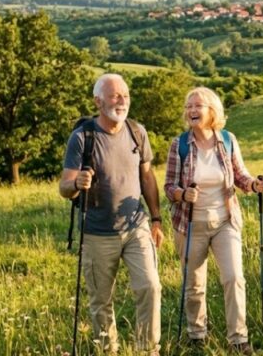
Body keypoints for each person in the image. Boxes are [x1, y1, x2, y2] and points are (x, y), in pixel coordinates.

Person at [59, 73, 163, 355]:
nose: (122, 101)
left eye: (125, 95)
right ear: (98, 101)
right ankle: (108, 351)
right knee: (101, 301)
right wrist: (76, 184)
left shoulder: (137, 132)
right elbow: (64, 187)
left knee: (150, 287)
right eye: (115, 95)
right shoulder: (82, 137)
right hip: (97, 233)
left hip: (136, 226)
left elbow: (147, 177)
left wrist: (156, 219)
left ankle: (148, 350)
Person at [165, 87, 263, 355]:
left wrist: (254, 185)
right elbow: (169, 187)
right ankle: (197, 334)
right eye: (188, 106)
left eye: (197, 105)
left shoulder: (227, 140)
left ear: (212, 110)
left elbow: (240, 175)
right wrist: (182, 194)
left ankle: (238, 338)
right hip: (190, 224)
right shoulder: (180, 145)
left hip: (225, 220)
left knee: (234, 277)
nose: (191, 110)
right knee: (194, 284)